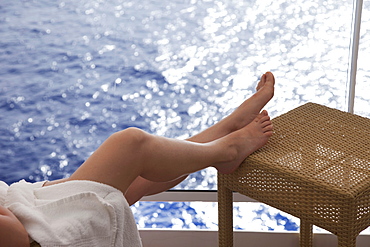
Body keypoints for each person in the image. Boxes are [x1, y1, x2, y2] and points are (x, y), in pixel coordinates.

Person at [0, 72, 275, 247]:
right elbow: (15, 237)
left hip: (20, 199)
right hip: (30, 231)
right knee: (130, 146)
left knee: (128, 182)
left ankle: (224, 135)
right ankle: (225, 150)